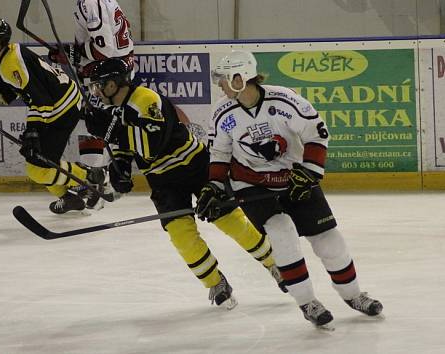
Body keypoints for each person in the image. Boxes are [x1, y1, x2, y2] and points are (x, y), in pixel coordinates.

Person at [196, 50, 383, 326]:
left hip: (294, 179)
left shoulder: (284, 100)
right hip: (251, 185)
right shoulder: (224, 112)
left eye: (223, 79)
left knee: (328, 240)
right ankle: (308, 303)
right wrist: (214, 186)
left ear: (240, 77)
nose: (220, 85)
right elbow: (220, 153)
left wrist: (308, 173)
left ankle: (354, 295)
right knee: (281, 231)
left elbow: (316, 133)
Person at [84, 58, 286, 309]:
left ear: (113, 84)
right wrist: (120, 170)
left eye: (98, 86)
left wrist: (112, 132)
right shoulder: (113, 110)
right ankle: (215, 282)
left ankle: (274, 263)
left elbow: (150, 146)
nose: (95, 92)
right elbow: (123, 146)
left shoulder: (146, 100)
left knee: (230, 221)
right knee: (180, 235)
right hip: (162, 181)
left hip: (195, 167)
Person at [0, 17, 103, 214]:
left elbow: (41, 101)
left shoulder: (12, 62)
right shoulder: (7, 57)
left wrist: (33, 132)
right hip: (59, 104)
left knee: (39, 167)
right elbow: (6, 87)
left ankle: (91, 176)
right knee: (37, 163)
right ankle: (71, 197)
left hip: (62, 108)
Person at [48, 0, 135, 210]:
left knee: (96, 124)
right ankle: (97, 182)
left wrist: (74, 53)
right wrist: (72, 53)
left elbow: (104, 49)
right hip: (107, 72)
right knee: (94, 125)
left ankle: (94, 190)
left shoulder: (91, 2)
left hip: (109, 76)